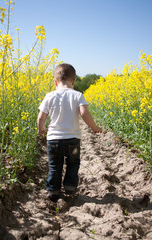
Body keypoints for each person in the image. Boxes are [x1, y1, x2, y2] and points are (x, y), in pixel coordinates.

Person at [37, 63, 102, 202]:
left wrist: (41, 128)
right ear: (74, 81)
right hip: (72, 139)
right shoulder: (77, 95)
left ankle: (53, 191)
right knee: (73, 164)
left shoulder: (49, 96)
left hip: (53, 139)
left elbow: (41, 117)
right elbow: (84, 113)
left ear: (55, 81)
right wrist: (94, 127)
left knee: (55, 165)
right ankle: (70, 188)